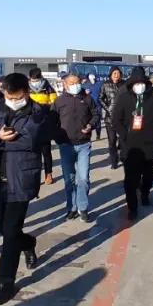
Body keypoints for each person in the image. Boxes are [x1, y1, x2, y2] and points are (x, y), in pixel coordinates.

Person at [0, 73, 45, 305]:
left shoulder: (37, 113)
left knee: (11, 232)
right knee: (2, 227)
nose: (13, 101)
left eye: (18, 97)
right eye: (9, 97)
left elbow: (29, 140)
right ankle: (28, 243)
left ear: (27, 92)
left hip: (20, 181)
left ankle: (6, 281)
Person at [113, 67, 153, 220]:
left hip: (149, 143)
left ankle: (145, 193)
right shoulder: (124, 98)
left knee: (148, 174)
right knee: (131, 178)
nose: (139, 86)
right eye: (136, 83)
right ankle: (132, 206)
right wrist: (124, 135)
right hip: (130, 145)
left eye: (141, 83)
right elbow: (116, 119)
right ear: (131, 84)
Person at [53, 72, 101, 222]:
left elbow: (96, 114)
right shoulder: (59, 101)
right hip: (66, 145)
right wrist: (57, 137)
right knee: (69, 180)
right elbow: (52, 121)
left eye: (77, 82)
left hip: (83, 144)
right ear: (65, 85)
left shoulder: (87, 99)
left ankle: (83, 207)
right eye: (72, 83)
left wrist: (90, 125)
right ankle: (72, 207)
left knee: (83, 178)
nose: (76, 85)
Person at [27, 68, 59, 184]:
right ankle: (32, 176)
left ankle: (48, 173)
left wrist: (44, 106)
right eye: (33, 79)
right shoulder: (26, 87)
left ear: (41, 77)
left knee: (46, 151)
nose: (35, 82)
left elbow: (54, 102)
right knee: (31, 151)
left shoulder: (47, 87)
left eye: (37, 79)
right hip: (29, 122)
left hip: (44, 122)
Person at [100, 67, 125, 169]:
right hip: (110, 118)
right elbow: (100, 98)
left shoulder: (124, 84)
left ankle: (123, 156)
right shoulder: (105, 85)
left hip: (123, 117)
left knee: (123, 139)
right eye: (114, 73)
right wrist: (108, 109)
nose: (116, 75)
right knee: (112, 141)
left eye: (118, 73)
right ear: (110, 74)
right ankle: (114, 161)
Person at [85, 72, 104, 140]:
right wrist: (85, 93)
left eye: (92, 75)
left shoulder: (100, 84)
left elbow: (103, 93)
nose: (91, 77)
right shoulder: (86, 85)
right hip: (89, 106)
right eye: (90, 76)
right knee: (88, 121)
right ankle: (88, 136)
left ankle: (98, 135)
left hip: (98, 106)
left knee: (98, 121)